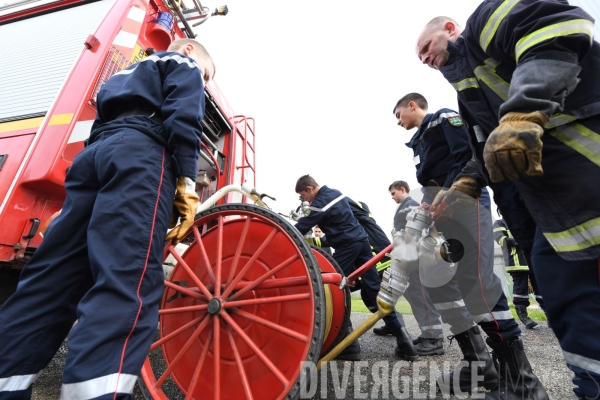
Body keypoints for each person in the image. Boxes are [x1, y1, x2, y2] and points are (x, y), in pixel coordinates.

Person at [0, 39, 214, 400]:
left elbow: (96, 129)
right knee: (125, 279)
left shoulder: (119, 78)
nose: (204, 82)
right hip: (141, 155)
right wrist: (187, 181)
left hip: (94, 157)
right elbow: (184, 116)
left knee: (52, 280)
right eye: (207, 75)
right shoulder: (184, 63)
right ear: (189, 50)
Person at [416, 3, 600, 397]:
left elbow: (558, 23)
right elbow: (482, 148)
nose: (426, 59)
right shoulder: (470, 95)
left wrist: (523, 111)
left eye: (427, 47)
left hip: (583, 178)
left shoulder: (486, 25)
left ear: (450, 28)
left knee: (573, 297)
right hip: (544, 208)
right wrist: (464, 183)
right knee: (566, 302)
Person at [393, 93, 546, 398]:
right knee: (444, 285)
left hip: (465, 203)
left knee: (478, 284)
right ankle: (479, 363)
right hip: (444, 212)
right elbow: (430, 183)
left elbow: (466, 158)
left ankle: (522, 383)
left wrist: (444, 198)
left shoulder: (443, 119)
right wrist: (424, 212)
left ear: (412, 105)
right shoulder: (419, 142)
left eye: (398, 114)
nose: (398, 122)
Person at [293, 174, 418, 361]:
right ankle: (405, 343)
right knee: (375, 291)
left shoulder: (320, 202)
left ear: (309, 189)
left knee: (332, 288)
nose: (305, 201)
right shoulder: (337, 194)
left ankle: (349, 346)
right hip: (362, 243)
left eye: (303, 196)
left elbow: (302, 226)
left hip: (347, 247)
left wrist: (286, 229)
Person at [374, 180, 446, 357]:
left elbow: (413, 233)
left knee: (419, 295)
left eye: (393, 193)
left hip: (414, 258)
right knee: (414, 295)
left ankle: (434, 338)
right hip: (409, 256)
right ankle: (427, 334)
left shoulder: (409, 205)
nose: (392, 197)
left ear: (402, 189)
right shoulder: (407, 206)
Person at [493, 216, 545, 329]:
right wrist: (519, 241)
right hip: (516, 263)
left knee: (542, 289)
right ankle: (524, 317)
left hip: (533, 261)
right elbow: (500, 239)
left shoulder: (524, 219)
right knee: (521, 290)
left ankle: (550, 315)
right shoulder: (500, 223)